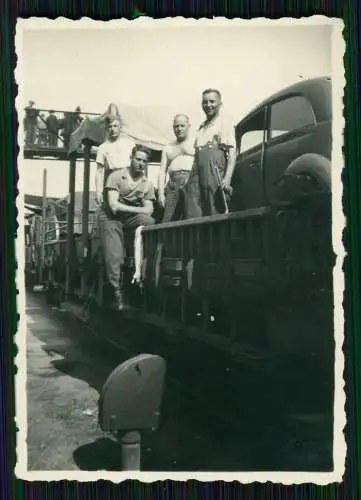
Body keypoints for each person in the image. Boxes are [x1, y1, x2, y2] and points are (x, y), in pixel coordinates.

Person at [100, 145, 156, 311]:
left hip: (128, 218)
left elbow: (149, 210)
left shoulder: (147, 184)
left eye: (144, 161)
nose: (140, 163)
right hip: (110, 218)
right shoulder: (116, 176)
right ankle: (117, 293)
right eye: (138, 159)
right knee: (115, 256)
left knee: (149, 221)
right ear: (131, 158)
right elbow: (113, 206)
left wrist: (134, 211)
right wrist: (138, 209)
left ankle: (143, 270)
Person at [184, 89, 236, 218]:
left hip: (213, 169)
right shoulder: (201, 128)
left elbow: (232, 151)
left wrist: (227, 178)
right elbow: (197, 156)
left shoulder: (225, 123)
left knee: (214, 209)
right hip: (197, 171)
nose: (208, 105)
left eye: (212, 101)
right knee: (194, 208)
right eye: (205, 102)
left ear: (220, 103)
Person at [157, 114, 195, 222]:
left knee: (191, 217)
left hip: (191, 182)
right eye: (176, 126)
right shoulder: (168, 147)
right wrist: (160, 193)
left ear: (189, 126)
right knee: (169, 219)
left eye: (182, 126)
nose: (179, 129)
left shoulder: (195, 143)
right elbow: (161, 171)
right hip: (173, 184)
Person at [95, 108, 136, 206]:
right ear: (106, 129)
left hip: (129, 179)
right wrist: (98, 191)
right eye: (109, 126)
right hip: (112, 180)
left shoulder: (130, 144)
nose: (112, 129)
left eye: (115, 126)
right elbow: (99, 172)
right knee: (112, 209)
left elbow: (138, 164)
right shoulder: (102, 148)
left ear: (120, 127)